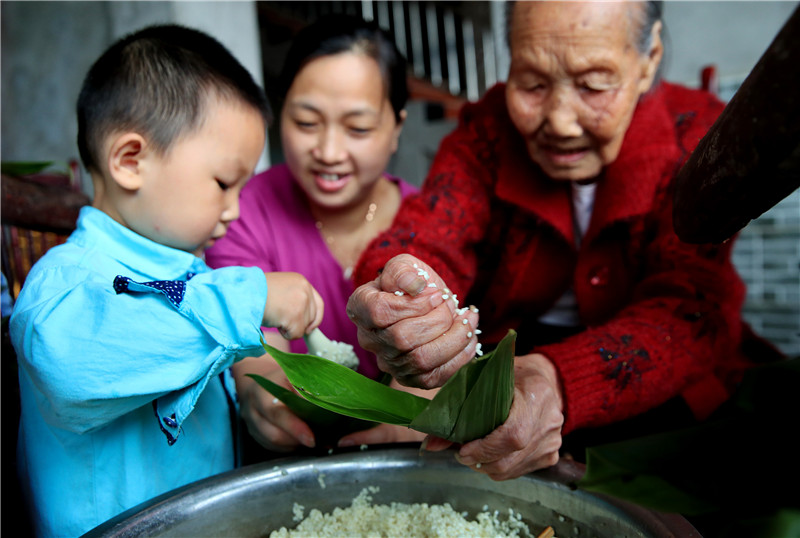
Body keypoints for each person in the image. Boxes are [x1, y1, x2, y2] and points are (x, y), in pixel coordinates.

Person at [346, 0, 778, 480]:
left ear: (649, 57)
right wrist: (401, 297)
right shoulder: (486, 132)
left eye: (594, 85)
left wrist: (560, 382)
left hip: (660, 400)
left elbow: (692, 308)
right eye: (531, 83)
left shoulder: (702, 136)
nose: (560, 121)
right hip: (501, 386)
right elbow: (426, 235)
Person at [9, 25, 324, 537]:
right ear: (131, 161)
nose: (234, 211)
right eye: (224, 183)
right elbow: (73, 367)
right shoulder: (68, 279)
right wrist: (253, 298)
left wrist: (253, 397)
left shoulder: (193, 275)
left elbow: (205, 349)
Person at [205, 14, 425, 457]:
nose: (328, 152)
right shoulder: (241, 210)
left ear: (397, 127)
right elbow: (260, 356)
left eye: (358, 128)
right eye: (306, 122)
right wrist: (262, 397)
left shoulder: (436, 226)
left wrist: (423, 412)